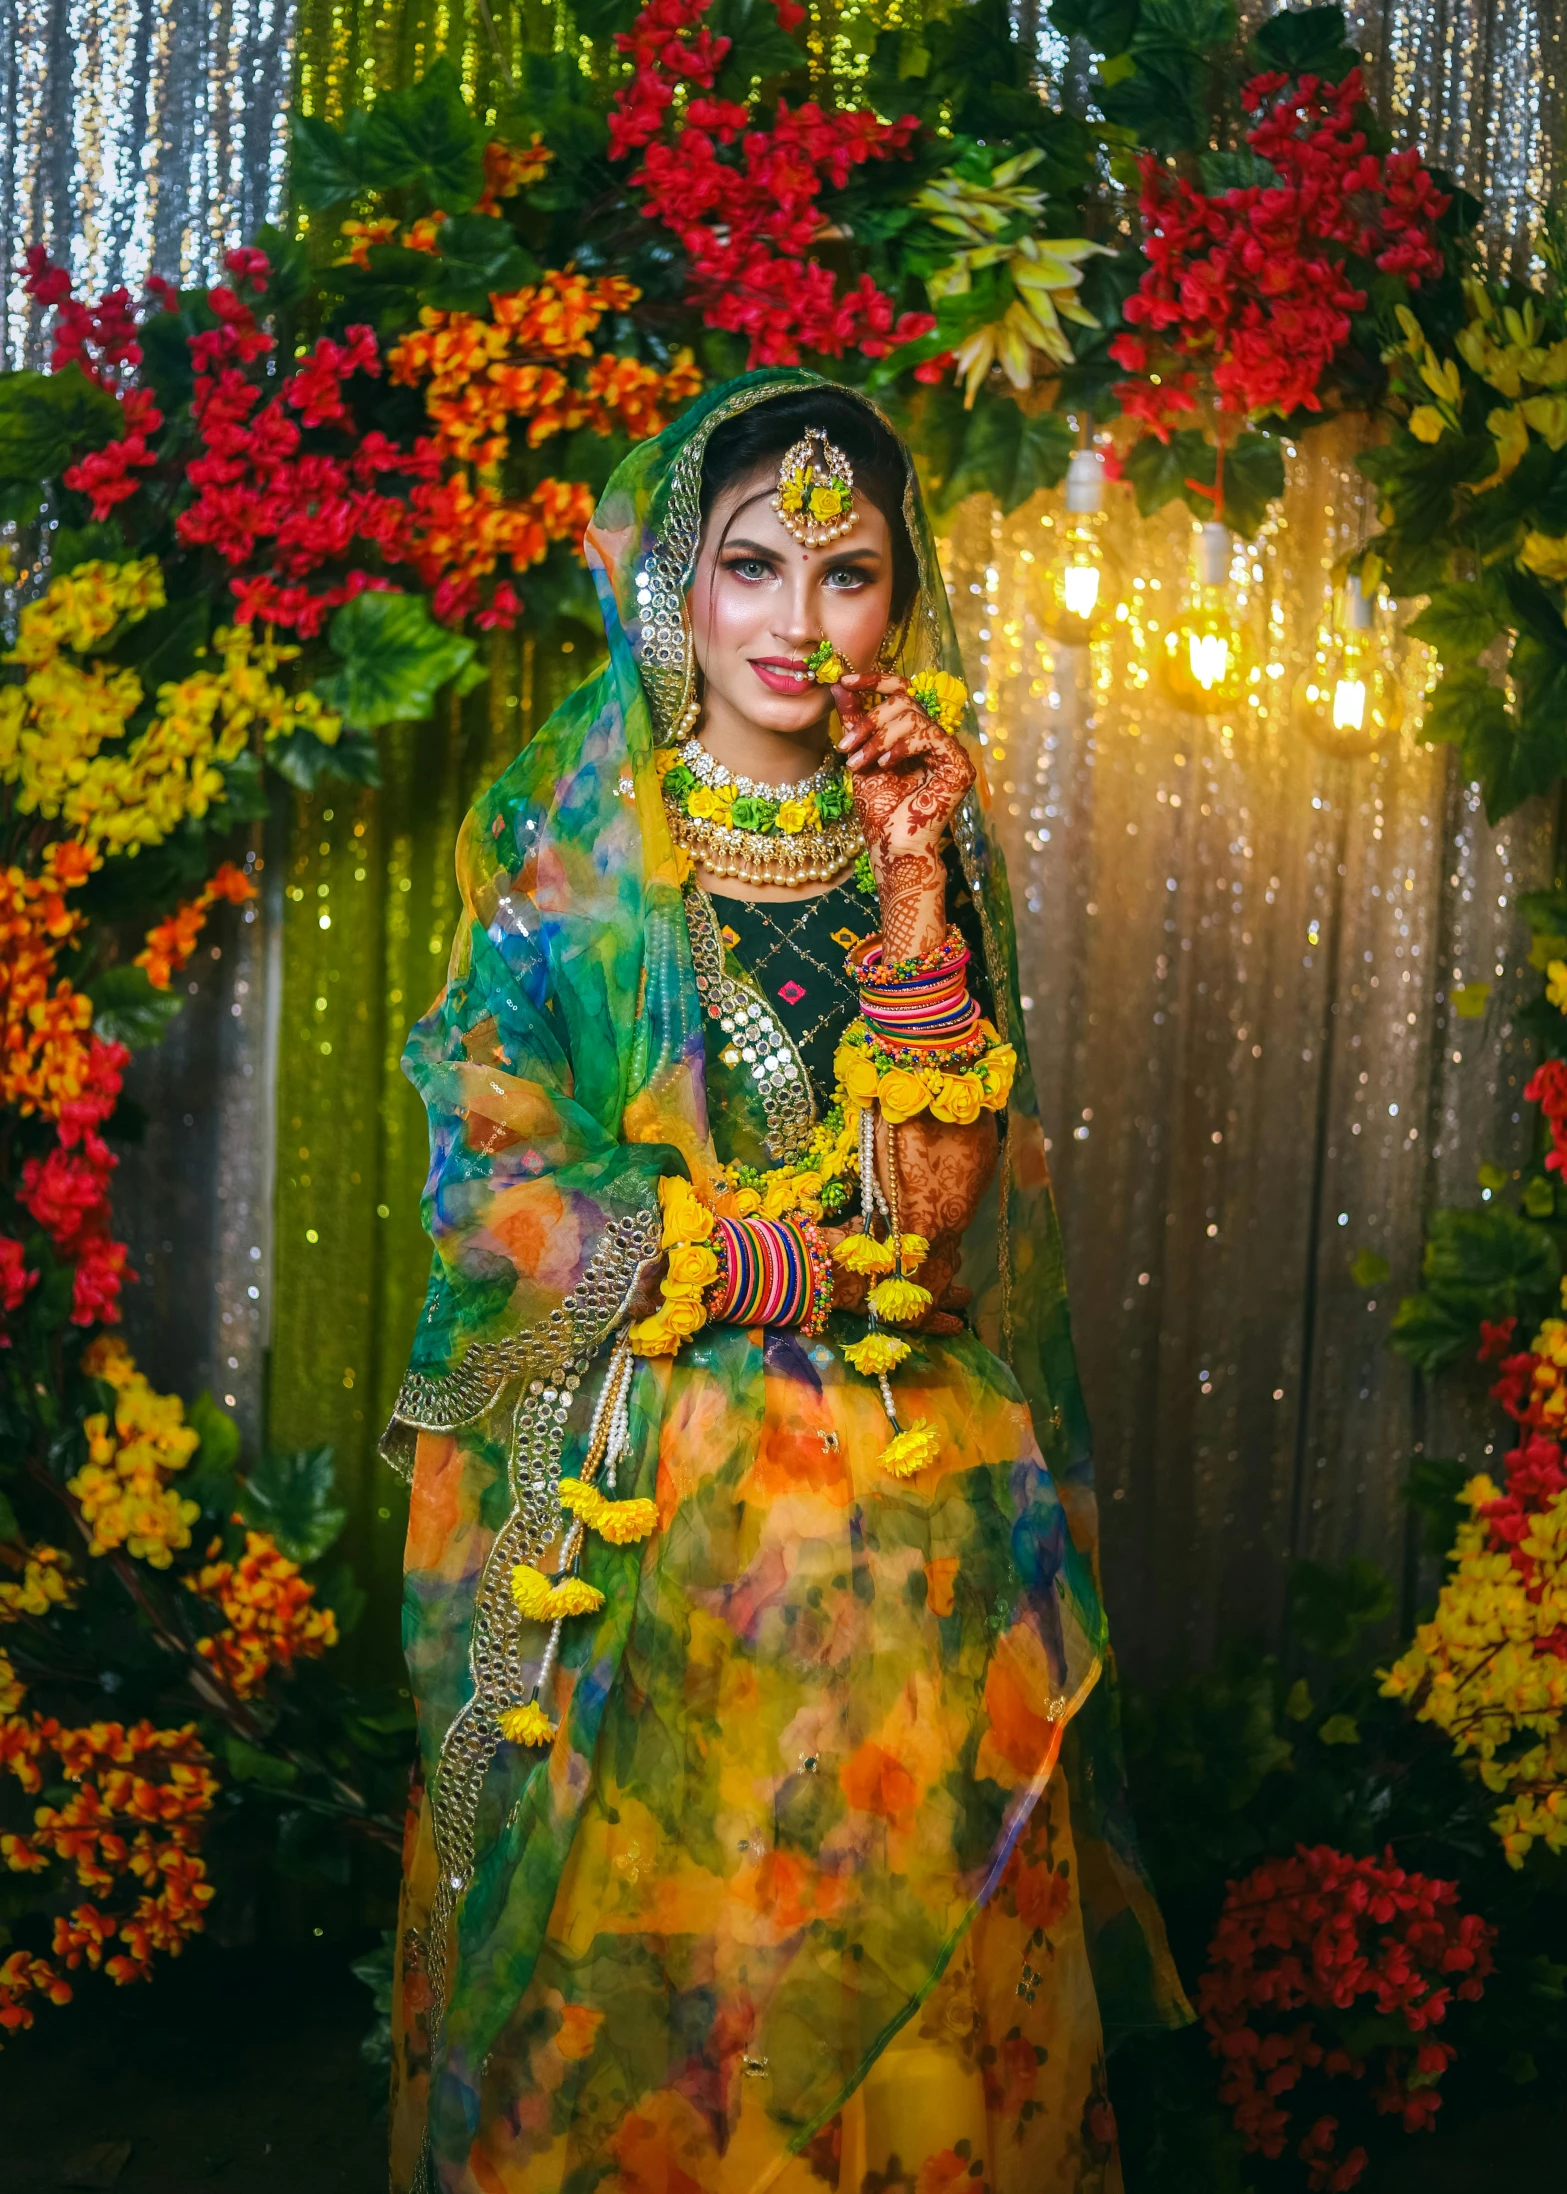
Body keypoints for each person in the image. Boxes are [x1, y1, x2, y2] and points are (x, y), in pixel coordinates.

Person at [385, 373, 1186, 2194]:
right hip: (638, 1473)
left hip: (906, 1483)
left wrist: (910, 892)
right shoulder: (571, 845)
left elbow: (931, 1227)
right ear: (678, 583)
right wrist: (764, 1261)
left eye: (847, 577)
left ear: (898, 607)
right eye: (751, 566)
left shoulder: (914, 828)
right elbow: (492, 1185)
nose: (796, 624)